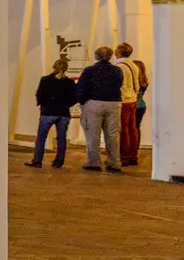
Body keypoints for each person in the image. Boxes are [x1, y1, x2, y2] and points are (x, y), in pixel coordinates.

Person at [73, 44, 125, 173]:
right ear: (110, 56)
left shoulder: (89, 70)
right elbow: (119, 84)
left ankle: (94, 163)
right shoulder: (117, 70)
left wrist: (82, 101)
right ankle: (115, 163)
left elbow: (81, 88)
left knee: (92, 134)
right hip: (113, 104)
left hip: (94, 103)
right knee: (112, 135)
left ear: (96, 56)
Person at [26, 57, 79, 168]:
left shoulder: (45, 80)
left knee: (41, 137)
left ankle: (37, 161)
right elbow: (75, 97)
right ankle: (58, 162)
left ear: (54, 67)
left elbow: (39, 95)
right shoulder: (69, 82)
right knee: (61, 138)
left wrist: (42, 104)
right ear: (65, 69)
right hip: (63, 113)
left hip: (48, 112)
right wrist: (66, 104)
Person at [116, 41, 148, 166]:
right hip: (133, 100)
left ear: (118, 51)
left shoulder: (119, 65)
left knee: (123, 130)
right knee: (133, 129)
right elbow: (137, 84)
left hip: (123, 101)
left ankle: (124, 157)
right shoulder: (133, 66)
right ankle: (133, 156)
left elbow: (118, 85)